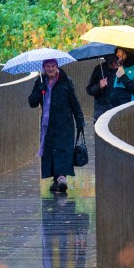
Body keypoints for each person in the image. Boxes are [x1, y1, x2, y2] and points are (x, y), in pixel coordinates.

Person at [28, 58, 84, 194]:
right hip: (48, 125)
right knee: (50, 151)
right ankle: (56, 180)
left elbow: (74, 103)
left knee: (62, 150)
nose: (50, 69)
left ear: (57, 67)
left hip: (64, 124)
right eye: (47, 66)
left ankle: (61, 177)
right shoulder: (40, 82)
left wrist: (80, 121)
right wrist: (38, 91)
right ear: (44, 67)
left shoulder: (65, 82)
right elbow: (32, 103)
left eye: (53, 66)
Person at [85, 52, 120, 120]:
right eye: (110, 62)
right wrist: (99, 86)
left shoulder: (123, 69)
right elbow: (89, 90)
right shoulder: (98, 69)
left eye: (115, 61)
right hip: (101, 110)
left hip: (118, 109)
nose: (113, 64)